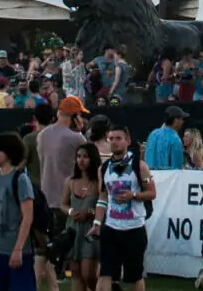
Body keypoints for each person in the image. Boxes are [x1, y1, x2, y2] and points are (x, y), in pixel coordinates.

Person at [91, 124, 151, 291]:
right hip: (111, 228)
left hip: (134, 228)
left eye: (118, 138)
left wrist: (134, 195)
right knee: (105, 273)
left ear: (127, 141)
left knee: (134, 276)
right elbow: (102, 198)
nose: (114, 142)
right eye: (111, 139)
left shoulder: (139, 166)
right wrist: (97, 223)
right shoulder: (104, 168)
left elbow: (152, 193)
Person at [0, 134, 34, 291]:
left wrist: (18, 249)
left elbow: (27, 216)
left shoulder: (21, 179)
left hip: (16, 250)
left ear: (9, 152)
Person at [59, 148, 100, 291]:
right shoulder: (70, 181)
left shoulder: (98, 182)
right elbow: (63, 204)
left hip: (91, 230)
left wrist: (90, 212)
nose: (81, 160)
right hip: (73, 229)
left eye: (85, 156)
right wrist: (71, 211)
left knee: (88, 274)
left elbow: (105, 205)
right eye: (78, 156)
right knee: (75, 272)